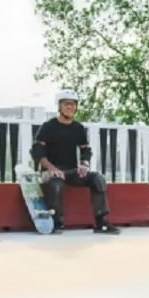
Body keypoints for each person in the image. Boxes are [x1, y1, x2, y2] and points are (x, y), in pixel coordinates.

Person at [30, 89, 121, 235]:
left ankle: (101, 222)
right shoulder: (48, 127)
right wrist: (51, 168)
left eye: (73, 104)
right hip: (50, 172)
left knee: (98, 179)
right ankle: (56, 222)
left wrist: (84, 164)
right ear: (59, 107)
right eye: (66, 104)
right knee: (56, 184)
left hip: (71, 171)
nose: (70, 107)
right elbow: (37, 152)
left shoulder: (78, 128)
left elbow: (85, 150)